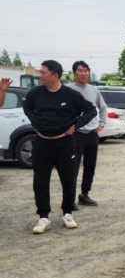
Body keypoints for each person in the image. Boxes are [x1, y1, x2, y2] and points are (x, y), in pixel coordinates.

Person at [23, 60, 97, 234]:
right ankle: (43, 217)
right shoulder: (35, 93)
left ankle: (67, 214)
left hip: (65, 144)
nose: (40, 75)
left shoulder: (70, 95)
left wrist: (76, 125)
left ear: (55, 75)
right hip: (42, 144)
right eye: (40, 72)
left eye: (43, 73)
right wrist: (35, 122)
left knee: (68, 180)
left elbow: (91, 110)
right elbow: (27, 108)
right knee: (40, 181)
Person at [66, 60, 107, 207]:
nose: (83, 73)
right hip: (75, 134)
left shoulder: (94, 90)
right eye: (80, 70)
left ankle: (84, 195)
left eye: (86, 70)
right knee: (73, 167)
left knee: (90, 166)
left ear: (89, 73)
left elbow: (103, 107)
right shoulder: (67, 89)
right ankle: (69, 199)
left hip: (92, 134)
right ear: (74, 73)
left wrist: (102, 123)